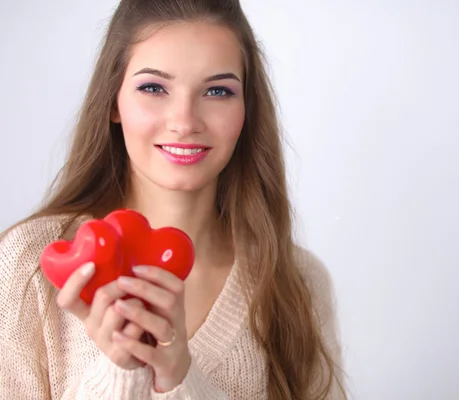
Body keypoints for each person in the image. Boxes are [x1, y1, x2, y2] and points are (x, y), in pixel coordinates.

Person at [0, 0, 347, 398]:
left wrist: (180, 376)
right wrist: (120, 374)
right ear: (113, 102)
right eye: (153, 87)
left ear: (247, 109)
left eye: (217, 91)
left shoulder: (298, 281)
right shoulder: (25, 266)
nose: (184, 122)